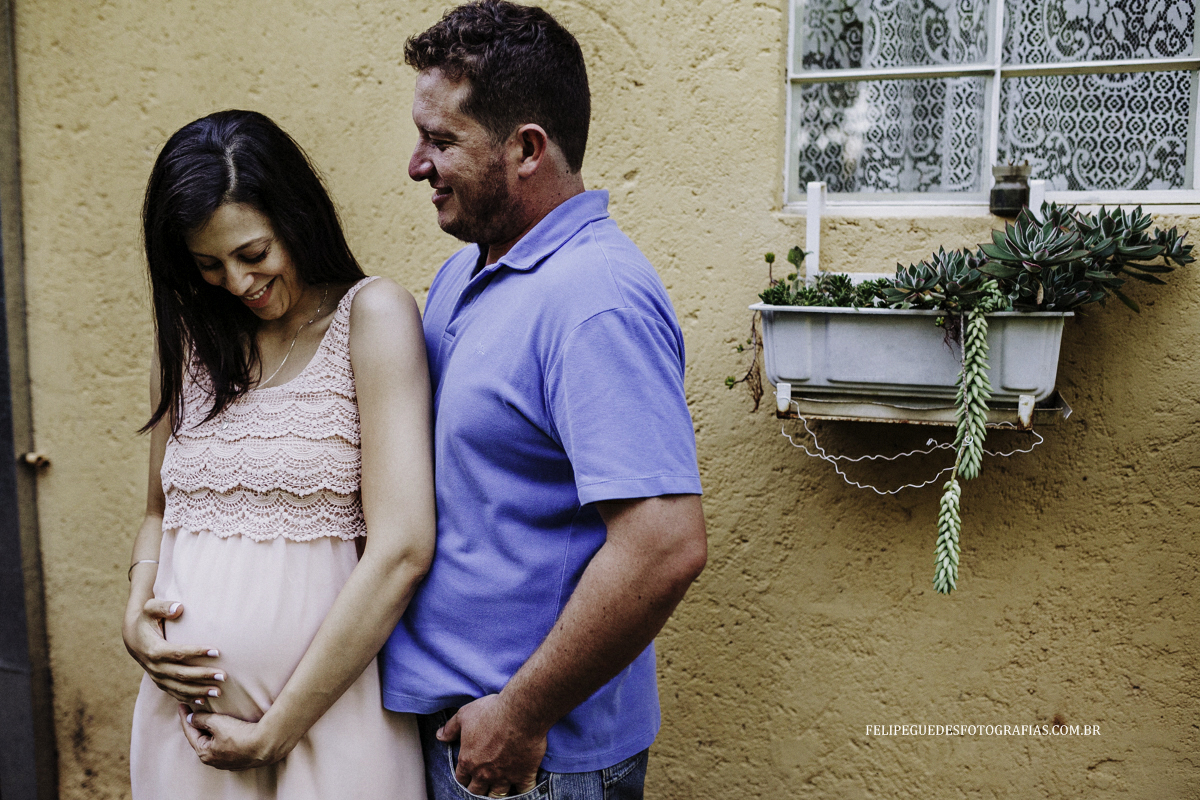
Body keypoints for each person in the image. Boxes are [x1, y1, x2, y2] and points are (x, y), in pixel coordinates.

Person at [381, 3, 708, 798]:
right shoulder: (466, 271)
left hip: (535, 761)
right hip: (455, 729)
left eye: (443, 140)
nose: (417, 165)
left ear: (527, 148)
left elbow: (665, 544)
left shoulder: (594, 299)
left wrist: (523, 714)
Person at [122, 110, 432, 799]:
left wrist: (279, 727)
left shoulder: (372, 317)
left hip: (328, 722)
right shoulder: (187, 338)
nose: (235, 282)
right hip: (187, 729)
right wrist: (136, 609)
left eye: (252, 254)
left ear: (296, 218)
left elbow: (403, 549)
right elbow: (156, 512)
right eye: (208, 264)